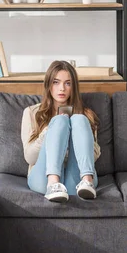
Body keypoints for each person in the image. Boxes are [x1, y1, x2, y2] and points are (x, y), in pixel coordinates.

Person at [21, 60, 101, 203]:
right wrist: (50, 131)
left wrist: (73, 132)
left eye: (68, 83)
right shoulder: (32, 113)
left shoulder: (85, 115)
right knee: (59, 121)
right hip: (43, 180)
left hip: (76, 182)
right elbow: (29, 157)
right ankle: (53, 183)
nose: (62, 88)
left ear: (73, 87)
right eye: (56, 82)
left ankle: (87, 180)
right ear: (48, 85)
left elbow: (93, 157)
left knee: (78, 119)